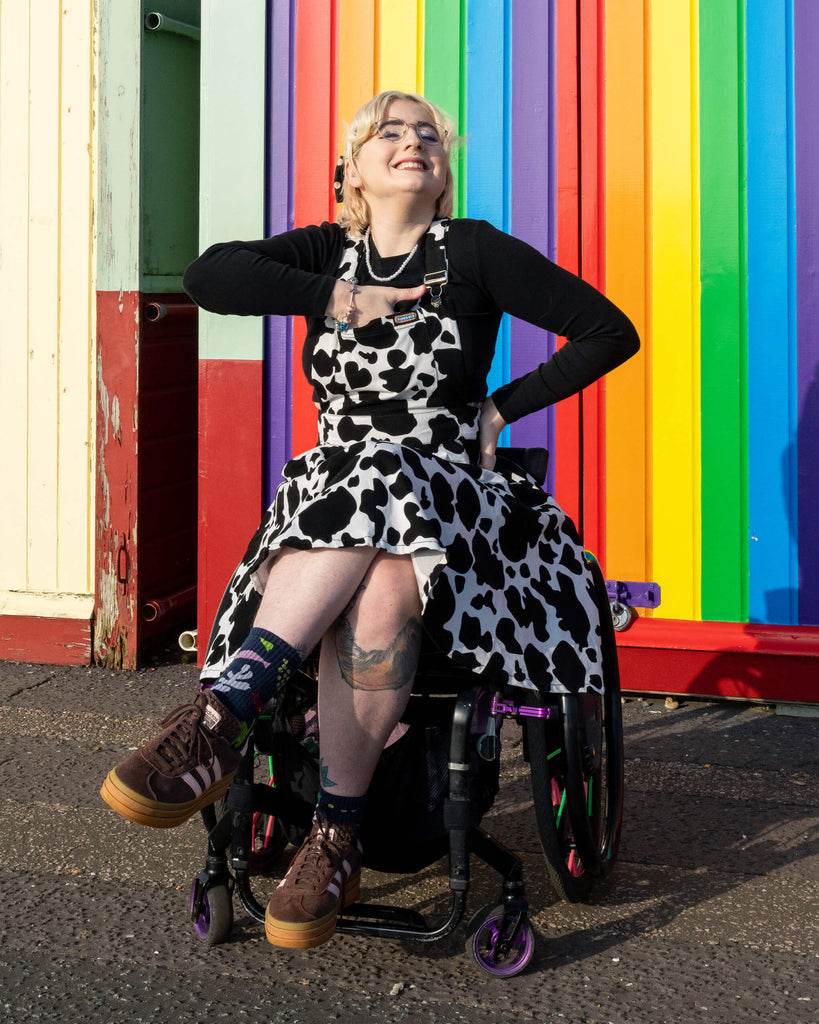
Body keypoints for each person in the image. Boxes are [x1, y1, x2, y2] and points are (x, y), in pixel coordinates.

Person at [100, 91, 639, 950]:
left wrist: (499, 408)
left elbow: (609, 331)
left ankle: (223, 714)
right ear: (352, 169)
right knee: (384, 589)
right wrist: (339, 298)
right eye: (390, 130)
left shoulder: (473, 250)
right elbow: (209, 277)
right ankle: (336, 835)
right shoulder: (325, 252)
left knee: (384, 468)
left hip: (453, 503)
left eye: (428, 134)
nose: (413, 141)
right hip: (336, 502)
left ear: (442, 173)